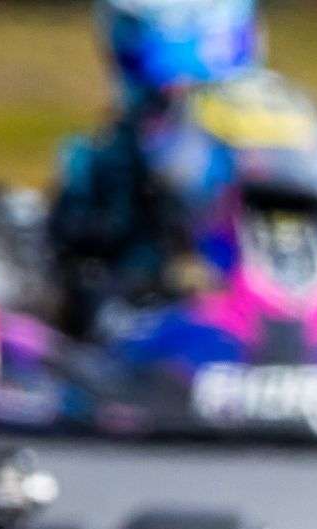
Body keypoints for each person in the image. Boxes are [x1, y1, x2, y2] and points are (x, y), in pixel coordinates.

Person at [46, 0, 260, 333]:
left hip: (232, 313)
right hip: (144, 322)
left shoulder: (252, 135)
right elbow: (73, 249)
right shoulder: (118, 147)